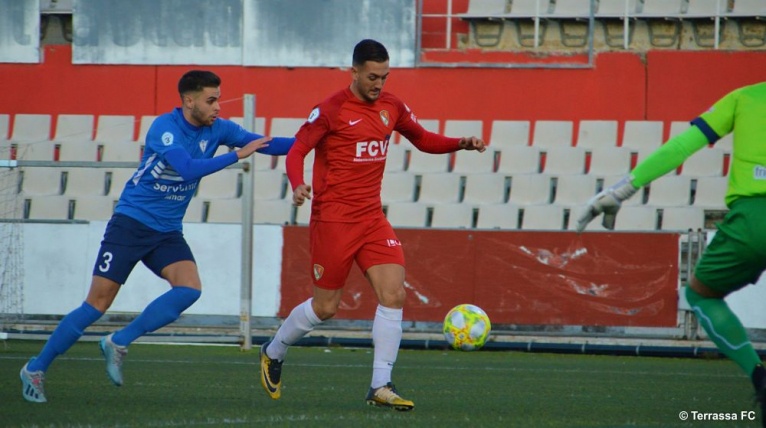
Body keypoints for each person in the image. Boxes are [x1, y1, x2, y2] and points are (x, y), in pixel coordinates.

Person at [20, 70, 294, 403]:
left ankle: (118, 341)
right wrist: (237, 155)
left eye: (219, 99)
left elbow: (267, 143)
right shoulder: (165, 128)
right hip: (131, 224)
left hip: (166, 231)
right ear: (189, 101)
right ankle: (36, 367)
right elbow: (188, 168)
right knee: (97, 304)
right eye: (211, 100)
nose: (218, 107)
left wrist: (317, 140)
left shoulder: (219, 129)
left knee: (189, 289)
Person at [258, 39, 486, 411]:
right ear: (355, 71)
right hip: (332, 219)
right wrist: (297, 183)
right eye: (372, 76)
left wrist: (460, 143)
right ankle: (274, 349)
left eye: (384, 76)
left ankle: (381, 384)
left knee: (394, 294)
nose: (379, 83)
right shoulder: (330, 110)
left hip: (371, 218)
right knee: (326, 307)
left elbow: (422, 138)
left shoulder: (391, 106)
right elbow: (299, 148)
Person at [576, 82, 766, 425]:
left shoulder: (744, 97)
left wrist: (621, 191)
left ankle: (759, 376)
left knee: (701, 294)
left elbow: (680, 147)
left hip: (752, 222)